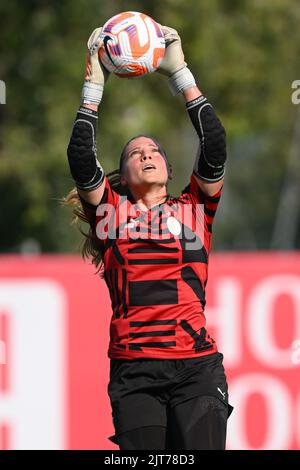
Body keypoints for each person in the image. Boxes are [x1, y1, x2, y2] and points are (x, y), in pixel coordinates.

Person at [65, 25, 234, 450]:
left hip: (197, 368)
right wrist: (94, 85)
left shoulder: (195, 208)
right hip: (135, 371)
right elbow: (81, 157)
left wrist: (179, 72)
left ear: (168, 169)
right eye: (135, 153)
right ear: (123, 175)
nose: (146, 154)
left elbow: (213, 143)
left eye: (154, 150)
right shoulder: (110, 214)